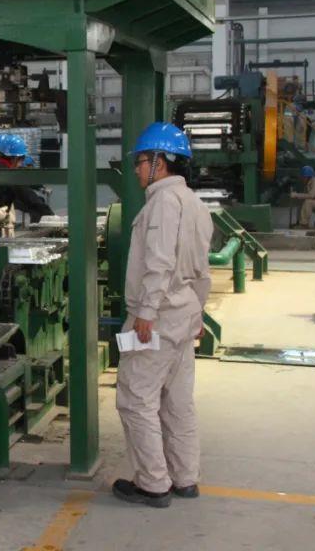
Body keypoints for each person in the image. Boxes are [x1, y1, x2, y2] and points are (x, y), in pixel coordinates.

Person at [114, 122, 213, 509]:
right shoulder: (195, 204)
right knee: (177, 403)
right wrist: (198, 314)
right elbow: (202, 270)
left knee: (136, 400)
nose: (137, 170)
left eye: (140, 162)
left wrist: (146, 312)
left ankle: (153, 484)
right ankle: (186, 479)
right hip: (184, 315)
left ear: (159, 161)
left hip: (158, 317)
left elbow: (159, 263)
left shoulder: (162, 204)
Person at [0, 135, 54, 226]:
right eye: (22, 159)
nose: (21, 164)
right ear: (15, 158)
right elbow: (30, 198)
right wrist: (52, 217)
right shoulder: (11, 175)